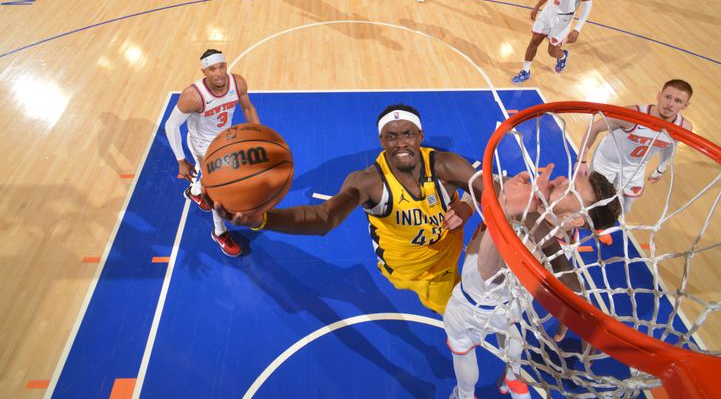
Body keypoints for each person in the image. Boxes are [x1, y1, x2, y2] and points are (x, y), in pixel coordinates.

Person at [214, 105, 485, 314]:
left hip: (445, 262)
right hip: (406, 270)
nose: (400, 142)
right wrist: (263, 219)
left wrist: (467, 206)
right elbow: (324, 218)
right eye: (392, 136)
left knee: (469, 311)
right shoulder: (369, 182)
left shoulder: (445, 165)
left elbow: (492, 184)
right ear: (381, 140)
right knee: (463, 320)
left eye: (407, 134)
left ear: (420, 137)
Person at [444, 165, 620, 399]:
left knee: (462, 348)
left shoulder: (528, 238)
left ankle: (464, 395)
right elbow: (490, 179)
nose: (560, 182)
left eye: (569, 191)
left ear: (574, 219)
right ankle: (513, 377)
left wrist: (503, 213)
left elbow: (489, 274)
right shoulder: (560, 229)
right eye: (568, 178)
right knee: (510, 332)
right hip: (513, 305)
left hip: (475, 303)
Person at [165, 49, 261, 257]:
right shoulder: (193, 95)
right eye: (212, 69)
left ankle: (195, 192)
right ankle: (220, 232)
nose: (218, 73)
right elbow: (171, 126)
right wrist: (181, 160)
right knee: (220, 190)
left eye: (221, 66)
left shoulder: (238, 83)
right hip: (202, 144)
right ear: (204, 71)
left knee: (208, 181)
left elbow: (248, 108)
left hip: (225, 139)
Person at [577, 79, 693, 215]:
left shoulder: (684, 127)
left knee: (626, 203)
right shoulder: (632, 114)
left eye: (678, 101)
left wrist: (661, 169)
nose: (670, 104)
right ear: (659, 95)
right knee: (596, 198)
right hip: (607, 160)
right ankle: (585, 221)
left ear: (685, 105)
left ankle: (609, 225)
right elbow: (595, 127)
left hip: (635, 166)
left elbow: (670, 146)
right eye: (668, 97)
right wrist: (582, 160)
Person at [511, 0, 592, 84]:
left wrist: (577, 29)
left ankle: (562, 55)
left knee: (552, 51)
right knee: (534, 41)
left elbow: (588, 5)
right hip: (548, 12)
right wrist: (537, 6)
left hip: (563, 19)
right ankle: (525, 71)